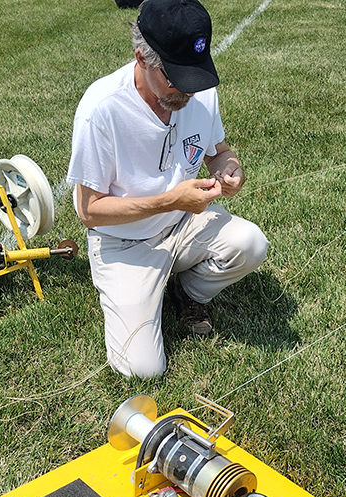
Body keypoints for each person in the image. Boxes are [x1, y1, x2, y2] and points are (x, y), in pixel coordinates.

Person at [67, 0, 269, 378]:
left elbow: (218, 151)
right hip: (124, 244)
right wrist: (169, 201)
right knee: (142, 369)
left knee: (252, 244)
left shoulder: (199, 91)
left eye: (194, 77)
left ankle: (188, 291)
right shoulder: (102, 109)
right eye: (174, 77)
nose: (186, 91)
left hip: (184, 224)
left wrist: (230, 168)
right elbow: (88, 210)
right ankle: (142, 288)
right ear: (141, 58)